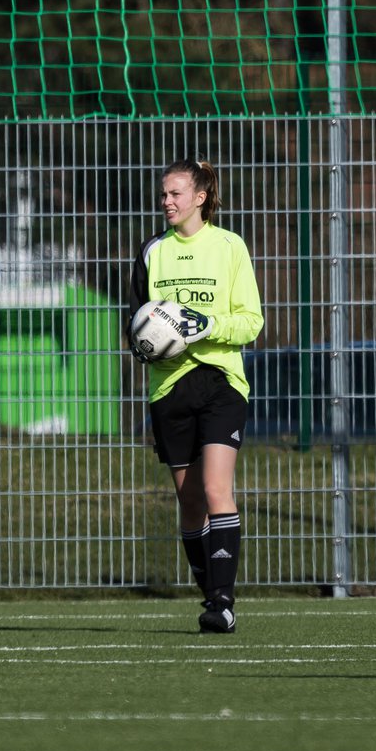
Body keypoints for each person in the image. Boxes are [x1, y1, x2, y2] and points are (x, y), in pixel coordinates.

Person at [127, 158, 263, 633]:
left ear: (200, 197)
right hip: (169, 387)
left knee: (214, 488)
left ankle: (224, 601)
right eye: (163, 194)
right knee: (189, 503)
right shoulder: (152, 252)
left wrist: (205, 325)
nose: (166, 201)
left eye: (176, 193)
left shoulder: (229, 247)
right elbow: (136, 328)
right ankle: (212, 596)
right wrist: (149, 340)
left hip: (221, 382)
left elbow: (251, 322)